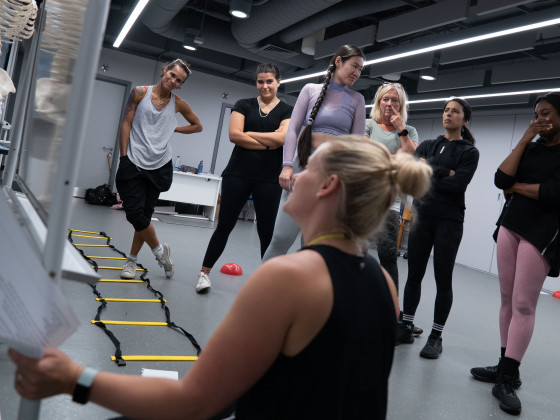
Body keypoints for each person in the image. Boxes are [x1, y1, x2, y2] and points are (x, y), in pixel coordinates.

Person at [9, 136, 432, 420]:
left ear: (328, 187)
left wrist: (73, 378)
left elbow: (194, 404)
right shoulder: (382, 281)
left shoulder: (288, 277)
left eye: (307, 169)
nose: (295, 177)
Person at [470, 92, 560, 415]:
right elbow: (500, 178)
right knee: (507, 299)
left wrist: (518, 188)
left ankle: (507, 378)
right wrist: (524, 139)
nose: (540, 120)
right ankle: (504, 366)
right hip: (511, 225)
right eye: (536, 114)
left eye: (547, 113)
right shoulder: (532, 146)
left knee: (524, 304)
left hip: (542, 234)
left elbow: (552, 194)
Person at [262, 44, 366, 261]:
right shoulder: (310, 90)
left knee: (312, 244)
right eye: (354, 66)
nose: (357, 73)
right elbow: (292, 129)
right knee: (281, 237)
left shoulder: (357, 100)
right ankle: (259, 293)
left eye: (360, 70)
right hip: (302, 167)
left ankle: (302, 294)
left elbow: (356, 147)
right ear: (338, 61)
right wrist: (287, 165)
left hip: (333, 176)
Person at [195, 64, 292, 293]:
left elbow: (284, 138)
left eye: (269, 81)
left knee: (267, 231)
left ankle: (269, 284)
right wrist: (269, 142)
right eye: (260, 81)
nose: (264, 86)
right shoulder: (243, 105)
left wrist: (249, 135)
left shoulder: (287, 110)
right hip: (237, 174)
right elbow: (233, 135)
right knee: (225, 225)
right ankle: (204, 274)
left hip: (269, 179)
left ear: (278, 82)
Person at [397, 98, 479, 358]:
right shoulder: (429, 145)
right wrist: (446, 172)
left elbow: (458, 185)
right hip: (422, 216)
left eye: (455, 112)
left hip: (449, 221)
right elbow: (413, 178)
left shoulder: (469, 151)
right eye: (446, 110)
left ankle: (435, 336)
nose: (449, 115)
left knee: (443, 279)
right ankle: (406, 326)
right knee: (414, 274)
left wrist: (431, 172)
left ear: (465, 120)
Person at [117, 59, 202, 280]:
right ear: (165, 70)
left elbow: (198, 126)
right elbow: (126, 122)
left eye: (178, 80)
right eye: (171, 74)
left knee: (143, 216)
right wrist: (123, 155)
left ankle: (131, 261)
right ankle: (160, 252)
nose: (172, 80)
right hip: (134, 161)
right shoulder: (139, 93)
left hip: (159, 165)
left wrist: (174, 128)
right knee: (134, 213)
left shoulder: (178, 104)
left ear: (180, 85)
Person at [365, 82, 421, 336]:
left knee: (388, 257)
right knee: (357, 255)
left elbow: (411, 158)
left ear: (401, 105)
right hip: (363, 200)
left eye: (395, 100)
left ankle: (391, 312)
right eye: (385, 99)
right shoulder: (368, 125)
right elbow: (366, 155)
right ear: (378, 102)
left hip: (391, 202)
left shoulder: (410, 131)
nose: (389, 104)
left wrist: (401, 130)